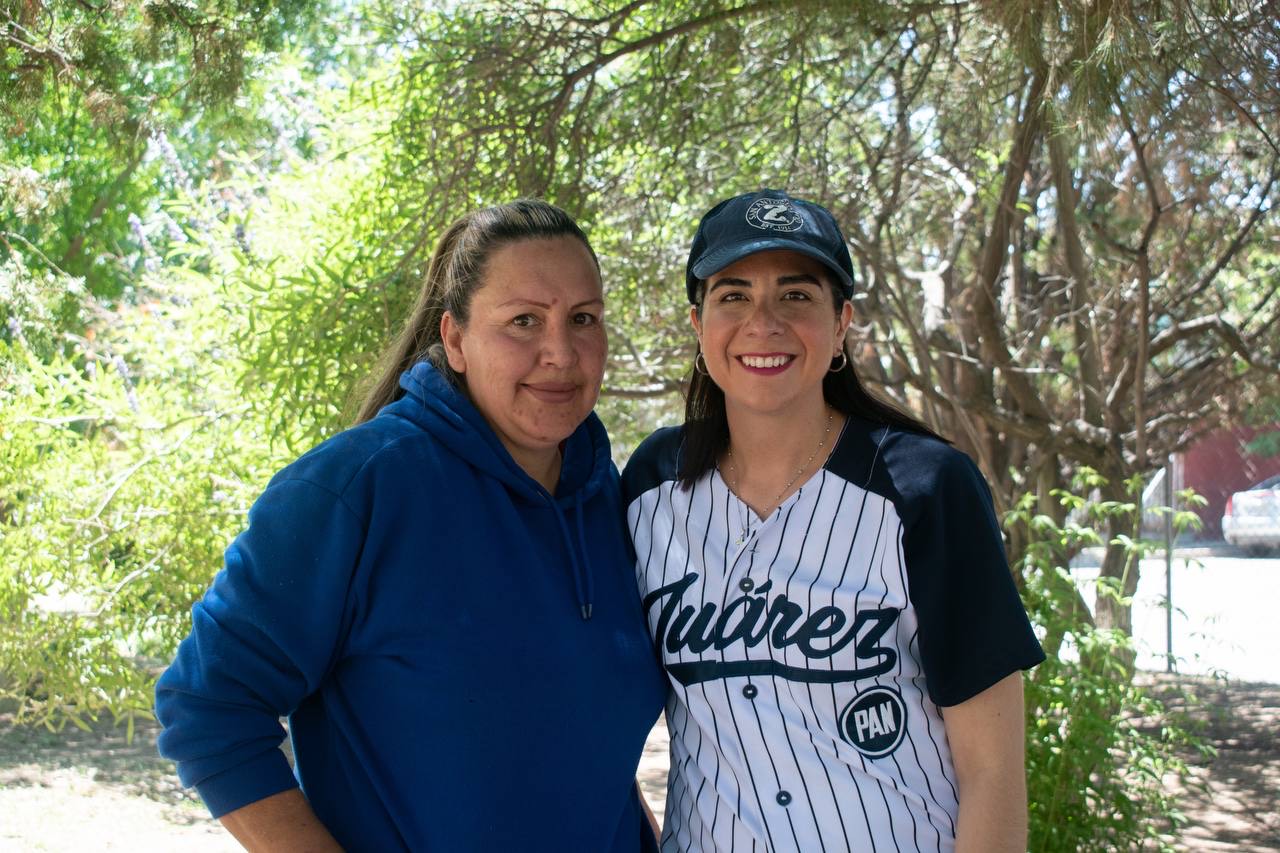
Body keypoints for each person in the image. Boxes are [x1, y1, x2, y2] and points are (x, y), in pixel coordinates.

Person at [155, 199, 667, 851]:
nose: (561, 353)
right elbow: (207, 707)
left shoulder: (606, 500)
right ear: (455, 339)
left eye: (583, 318)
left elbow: (584, 747)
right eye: (523, 321)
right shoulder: (356, 489)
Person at [622, 190, 1045, 852]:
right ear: (699, 323)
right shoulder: (651, 485)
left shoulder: (925, 487)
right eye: (734, 295)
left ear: (841, 320)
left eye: (796, 295)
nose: (764, 323)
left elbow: (992, 772)